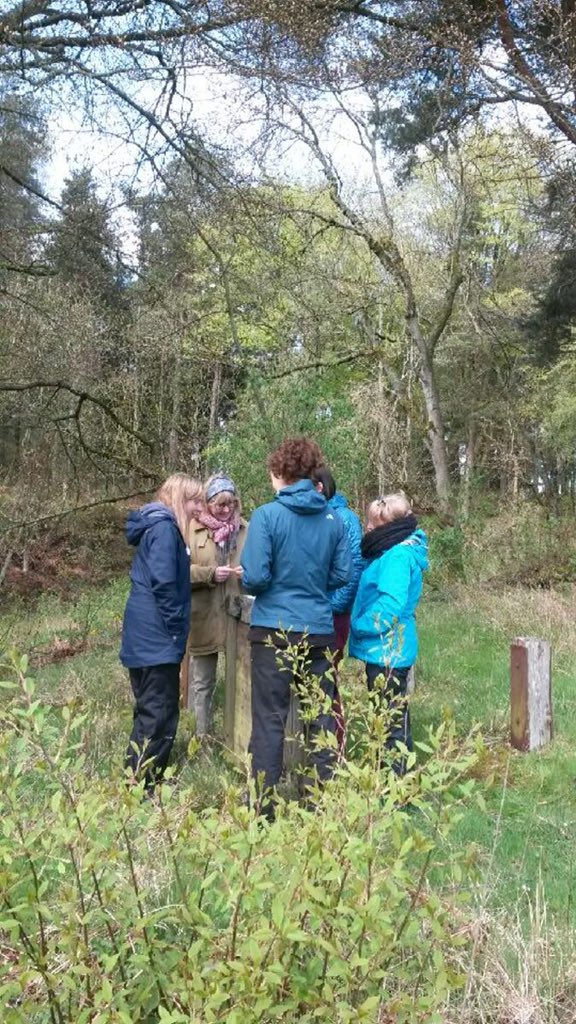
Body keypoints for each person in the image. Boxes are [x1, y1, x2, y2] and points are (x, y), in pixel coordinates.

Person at [241, 437, 352, 814]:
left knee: (269, 719)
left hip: (273, 630)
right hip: (318, 631)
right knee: (319, 716)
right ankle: (319, 802)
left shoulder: (266, 517)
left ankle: (263, 808)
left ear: (279, 473)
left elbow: (254, 577)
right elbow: (341, 575)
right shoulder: (333, 520)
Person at [120, 473, 202, 791]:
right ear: (181, 499)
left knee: (147, 711)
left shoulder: (155, 528)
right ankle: (145, 788)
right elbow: (165, 583)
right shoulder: (166, 530)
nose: (199, 507)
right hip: (155, 639)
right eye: (194, 500)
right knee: (160, 714)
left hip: (142, 637)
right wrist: (175, 629)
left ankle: (134, 779)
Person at [349, 492, 429, 775]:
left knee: (391, 722)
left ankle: (395, 788)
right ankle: (390, 780)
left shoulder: (396, 556)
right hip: (388, 648)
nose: (368, 528)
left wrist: (357, 625)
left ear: (390, 526)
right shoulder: (393, 551)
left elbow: (390, 606)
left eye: (373, 523)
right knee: (389, 716)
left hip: (388, 650)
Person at [186, 473, 247, 738]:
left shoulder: (246, 528)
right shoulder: (190, 528)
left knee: (241, 678)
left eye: (230, 504)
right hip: (204, 614)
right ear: (207, 503)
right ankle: (202, 736)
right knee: (203, 681)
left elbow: (263, 563)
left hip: (238, 614)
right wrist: (208, 574)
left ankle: (236, 736)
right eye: (220, 504)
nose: (226, 510)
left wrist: (250, 572)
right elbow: (176, 573)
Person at [311, 465, 363, 662]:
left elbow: (355, 564)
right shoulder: (311, 515)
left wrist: (336, 605)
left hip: (333, 609)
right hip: (312, 606)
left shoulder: (344, 518)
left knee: (327, 670)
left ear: (320, 487)